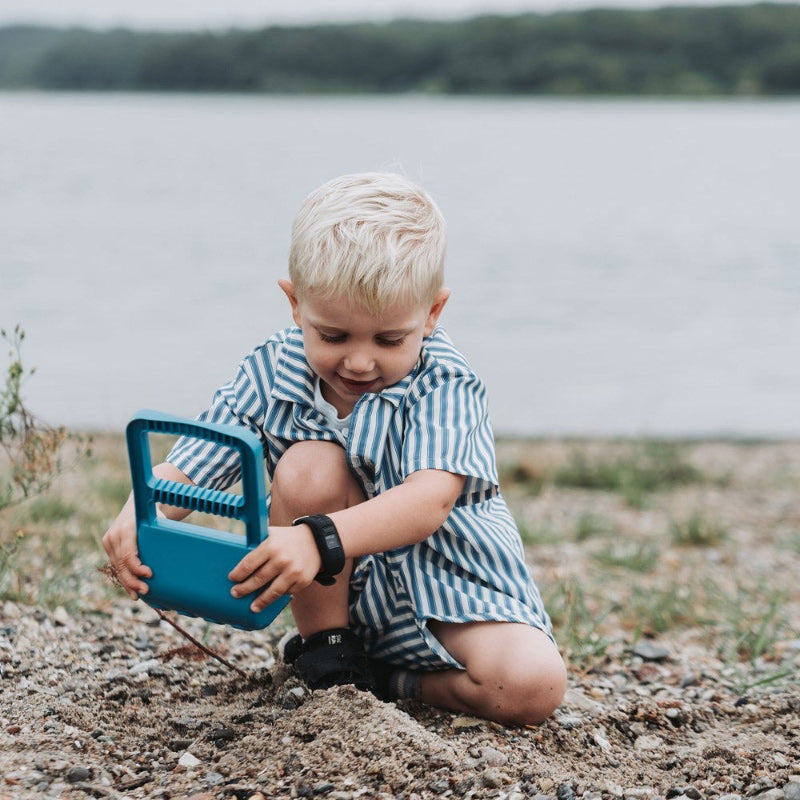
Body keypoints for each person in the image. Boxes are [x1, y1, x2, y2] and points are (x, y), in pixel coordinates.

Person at [102, 172, 566, 726]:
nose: (360, 362)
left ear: (433, 313)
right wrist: (141, 512)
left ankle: (397, 681)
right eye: (334, 336)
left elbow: (428, 501)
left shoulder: (446, 384)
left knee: (533, 687)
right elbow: (201, 461)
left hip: (450, 586)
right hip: (340, 598)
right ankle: (328, 652)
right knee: (309, 463)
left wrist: (316, 540)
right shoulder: (274, 368)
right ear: (295, 305)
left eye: (389, 340)